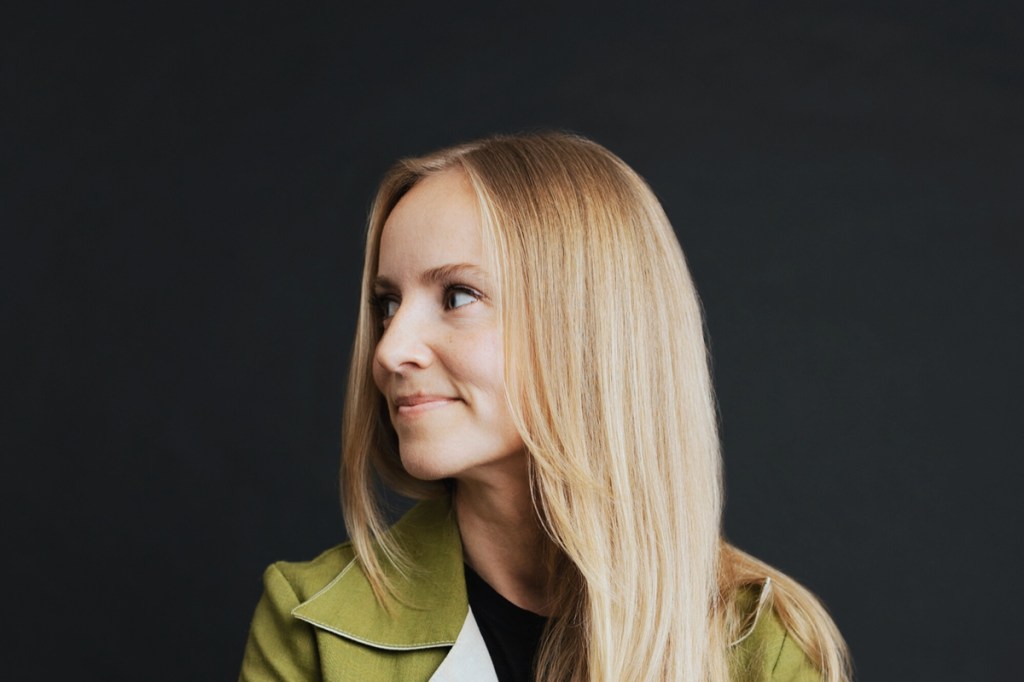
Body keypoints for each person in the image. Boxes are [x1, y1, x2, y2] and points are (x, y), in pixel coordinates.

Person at [239, 132, 852, 682]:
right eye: (388, 304)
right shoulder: (310, 627)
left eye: (457, 296)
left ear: (591, 327)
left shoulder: (762, 648)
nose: (389, 350)